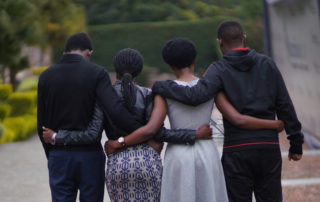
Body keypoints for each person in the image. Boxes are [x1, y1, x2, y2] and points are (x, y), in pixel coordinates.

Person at [106, 38, 285, 202]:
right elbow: (236, 117)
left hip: (178, 155)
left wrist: (119, 143)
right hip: (207, 152)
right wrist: (274, 124)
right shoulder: (211, 86)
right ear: (194, 60)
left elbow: (155, 130)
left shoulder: (163, 90)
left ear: (170, 65)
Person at [152, 21, 304, 202]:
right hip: (267, 145)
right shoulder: (268, 64)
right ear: (244, 38)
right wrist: (295, 142)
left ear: (220, 42)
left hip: (236, 148)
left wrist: (161, 86)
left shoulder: (218, 70)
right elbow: (285, 105)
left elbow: (195, 96)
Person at [41, 48, 214, 202]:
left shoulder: (104, 97)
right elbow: (157, 132)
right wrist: (193, 134)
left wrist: (57, 136)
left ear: (116, 69)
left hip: (118, 163)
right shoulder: (148, 94)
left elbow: (92, 133)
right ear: (139, 71)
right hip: (148, 162)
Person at [37, 33, 143, 202]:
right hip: (89, 155)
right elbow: (114, 109)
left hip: (59, 154)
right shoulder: (96, 73)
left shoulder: (46, 76)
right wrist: (141, 131)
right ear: (89, 53)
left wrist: (53, 154)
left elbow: (40, 124)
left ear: (66, 51)